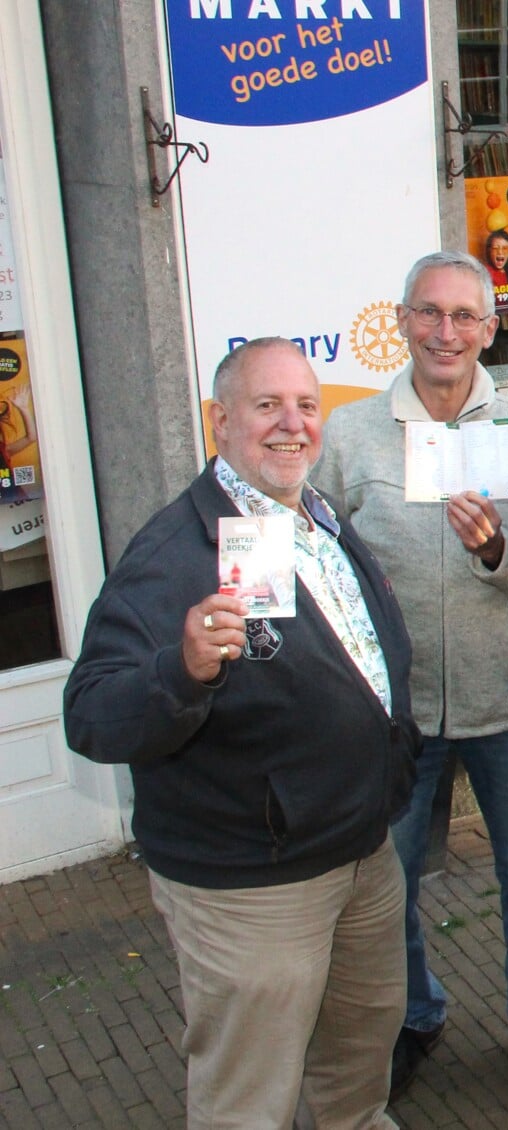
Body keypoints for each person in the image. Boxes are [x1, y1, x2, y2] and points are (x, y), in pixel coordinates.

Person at [63, 338, 419, 1127]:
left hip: (359, 852)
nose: (292, 425)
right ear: (220, 422)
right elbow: (90, 712)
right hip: (254, 883)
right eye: (267, 406)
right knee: (247, 1097)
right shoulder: (174, 552)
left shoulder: (313, 516)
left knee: (358, 1067)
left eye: (305, 405)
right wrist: (182, 667)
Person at [311, 250, 508, 1102]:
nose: (445, 333)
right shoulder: (349, 435)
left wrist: (499, 553)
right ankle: (412, 1018)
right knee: (389, 881)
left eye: (464, 317)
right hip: (395, 713)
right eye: (429, 313)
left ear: (491, 330)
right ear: (402, 320)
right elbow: (317, 559)